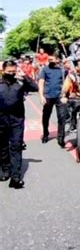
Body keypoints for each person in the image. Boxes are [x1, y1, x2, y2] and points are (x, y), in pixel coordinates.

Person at [0, 60, 38, 188]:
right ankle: (5, 170)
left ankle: (15, 177)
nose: (11, 73)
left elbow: (35, 87)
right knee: (3, 147)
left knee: (16, 146)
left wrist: (24, 76)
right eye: (8, 71)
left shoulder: (20, 82)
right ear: (3, 71)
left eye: (13, 71)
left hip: (17, 120)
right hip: (1, 120)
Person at [38, 52, 68, 147]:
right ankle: (46, 134)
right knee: (46, 116)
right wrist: (41, 96)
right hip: (48, 96)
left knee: (62, 117)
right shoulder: (44, 69)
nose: (50, 61)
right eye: (49, 59)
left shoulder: (63, 70)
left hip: (60, 96)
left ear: (57, 59)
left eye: (52, 59)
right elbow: (41, 83)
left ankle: (61, 138)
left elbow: (68, 81)